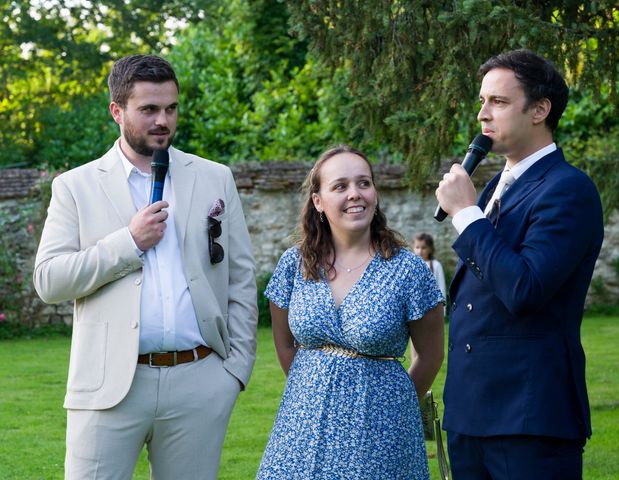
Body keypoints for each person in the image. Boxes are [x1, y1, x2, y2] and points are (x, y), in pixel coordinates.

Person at [33, 54, 258, 479]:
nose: (163, 121)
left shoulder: (214, 178)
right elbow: (49, 279)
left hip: (200, 381)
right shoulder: (75, 187)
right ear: (117, 110)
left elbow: (241, 279)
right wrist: (128, 243)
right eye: (149, 109)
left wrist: (234, 372)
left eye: (171, 109)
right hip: (107, 389)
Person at [435, 49, 604, 479]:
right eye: (481, 101)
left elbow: (525, 288)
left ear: (540, 110)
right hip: (472, 415)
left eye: (498, 101)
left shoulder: (569, 189)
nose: (482, 114)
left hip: (529, 417)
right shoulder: (496, 184)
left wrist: (465, 215)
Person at [256, 145, 445, 479]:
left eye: (364, 183)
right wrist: (311, 386)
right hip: (302, 425)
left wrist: (392, 404)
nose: (355, 194)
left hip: (382, 428)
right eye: (340, 186)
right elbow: (284, 345)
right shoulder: (294, 265)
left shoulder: (408, 270)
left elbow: (430, 356)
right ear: (318, 201)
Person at [413, 232, 447, 299]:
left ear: (430, 249)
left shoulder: (436, 265)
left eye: (423, 248)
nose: (420, 251)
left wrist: (443, 308)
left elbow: (441, 289)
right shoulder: (411, 265)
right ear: (413, 248)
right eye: (417, 247)